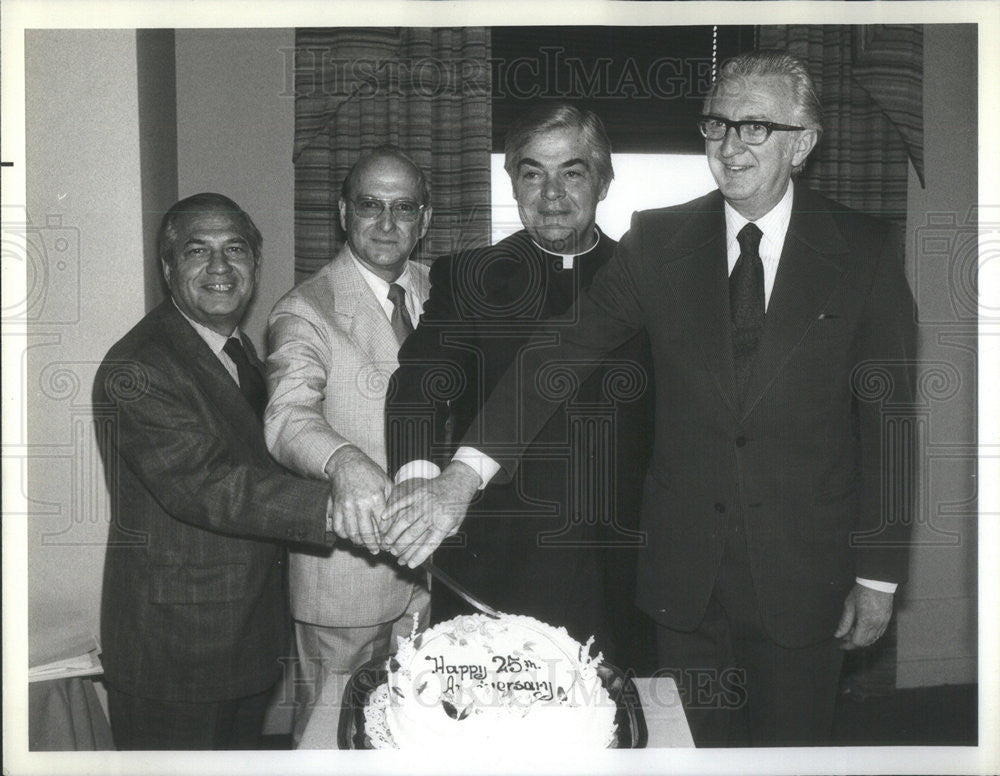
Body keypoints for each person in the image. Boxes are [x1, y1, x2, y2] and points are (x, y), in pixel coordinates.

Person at [380, 51, 918, 746]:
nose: (729, 145)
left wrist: (879, 575)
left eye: (754, 127)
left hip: (804, 575)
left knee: (793, 755)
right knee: (691, 751)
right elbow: (557, 356)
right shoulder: (660, 240)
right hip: (681, 584)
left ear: (803, 143)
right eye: (717, 124)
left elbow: (890, 422)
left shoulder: (866, 250)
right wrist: (457, 478)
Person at [384, 103, 656, 672]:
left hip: (624, 563)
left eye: (572, 172)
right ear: (512, 183)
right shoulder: (467, 276)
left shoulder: (651, 277)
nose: (551, 193)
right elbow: (420, 387)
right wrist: (419, 485)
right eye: (532, 173)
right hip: (499, 561)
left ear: (604, 180)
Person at [93, 193, 335, 750]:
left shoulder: (236, 349)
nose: (221, 267)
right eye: (198, 251)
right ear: (168, 267)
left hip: (241, 635)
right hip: (177, 653)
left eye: (236, 250)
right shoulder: (140, 366)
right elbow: (208, 487)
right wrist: (335, 502)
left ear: (255, 263)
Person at [263, 145, 433, 744]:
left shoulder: (443, 294)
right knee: (333, 741)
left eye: (403, 208)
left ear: (424, 220)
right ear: (343, 213)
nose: (387, 223)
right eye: (370, 205)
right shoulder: (305, 309)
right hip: (344, 580)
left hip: (433, 573)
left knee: (416, 732)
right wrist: (344, 460)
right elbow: (287, 415)